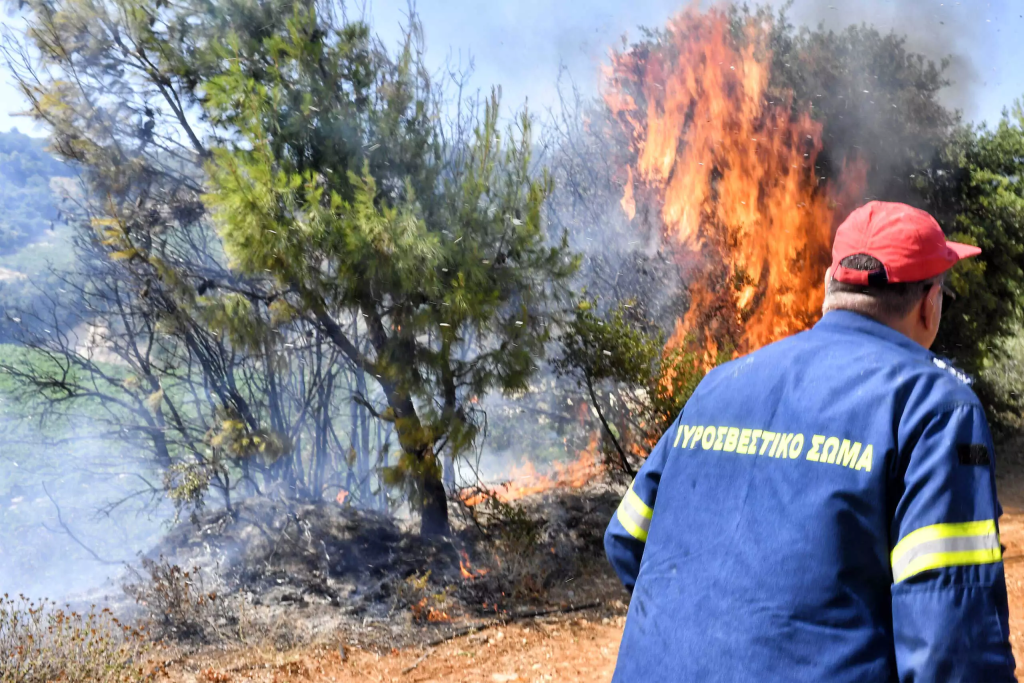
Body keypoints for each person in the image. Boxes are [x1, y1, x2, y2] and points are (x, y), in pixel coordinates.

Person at [605, 201, 1017, 682]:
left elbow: (627, 538)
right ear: (930, 305)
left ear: (828, 289)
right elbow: (952, 644)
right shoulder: (934, 407)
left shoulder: (719, 385)